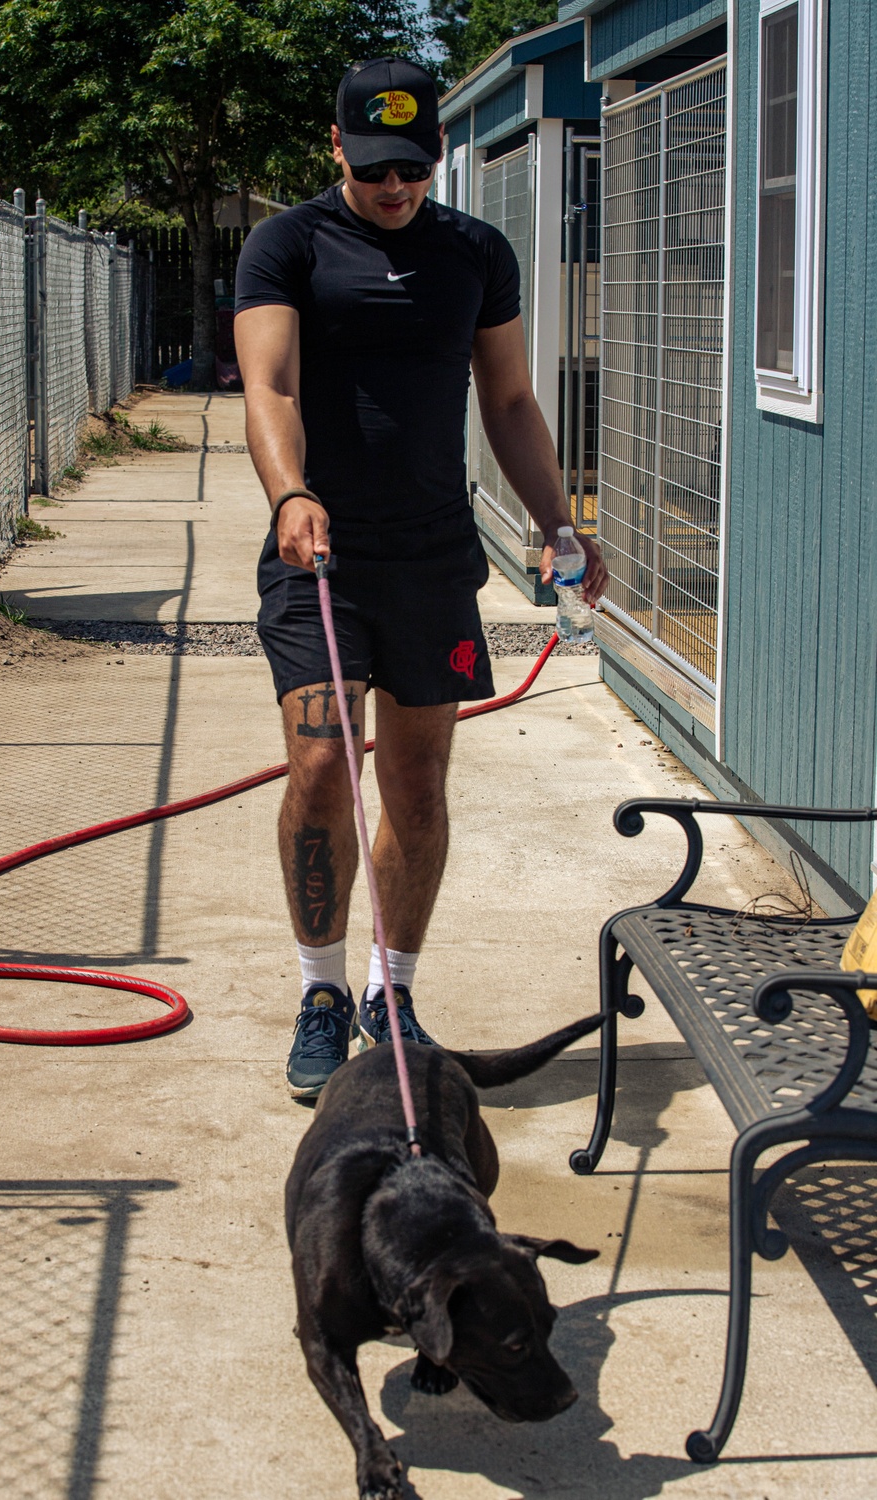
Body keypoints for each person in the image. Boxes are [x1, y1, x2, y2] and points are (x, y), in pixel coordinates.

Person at [234, 57, 606, 1099]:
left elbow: (512, 402)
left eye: (413, 168)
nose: (395, 189)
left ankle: (388, 990)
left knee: (416, 786)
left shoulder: (475, 253)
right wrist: (289, 493)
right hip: (320, 557)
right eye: (374, 168)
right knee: (318, 769)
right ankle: (318, 994)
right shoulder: (289, 245)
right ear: (337, 146)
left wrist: (557, 523)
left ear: (434, 155)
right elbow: (265, 385)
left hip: (434, 557)